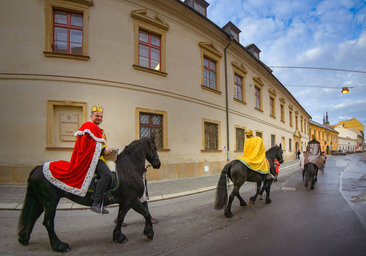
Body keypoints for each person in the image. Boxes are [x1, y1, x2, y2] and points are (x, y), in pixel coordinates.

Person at [42, 106, 113, 214]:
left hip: (98, 157)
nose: (99, 118)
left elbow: (96, 144)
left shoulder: (98, 129)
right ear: (91, 116)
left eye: (101, 116)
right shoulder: (88, 126)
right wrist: (103, 151)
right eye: (97, 116)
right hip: (91, 160)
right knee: (107, 175)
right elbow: (86, 146)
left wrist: (108, 151)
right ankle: (96, 203)